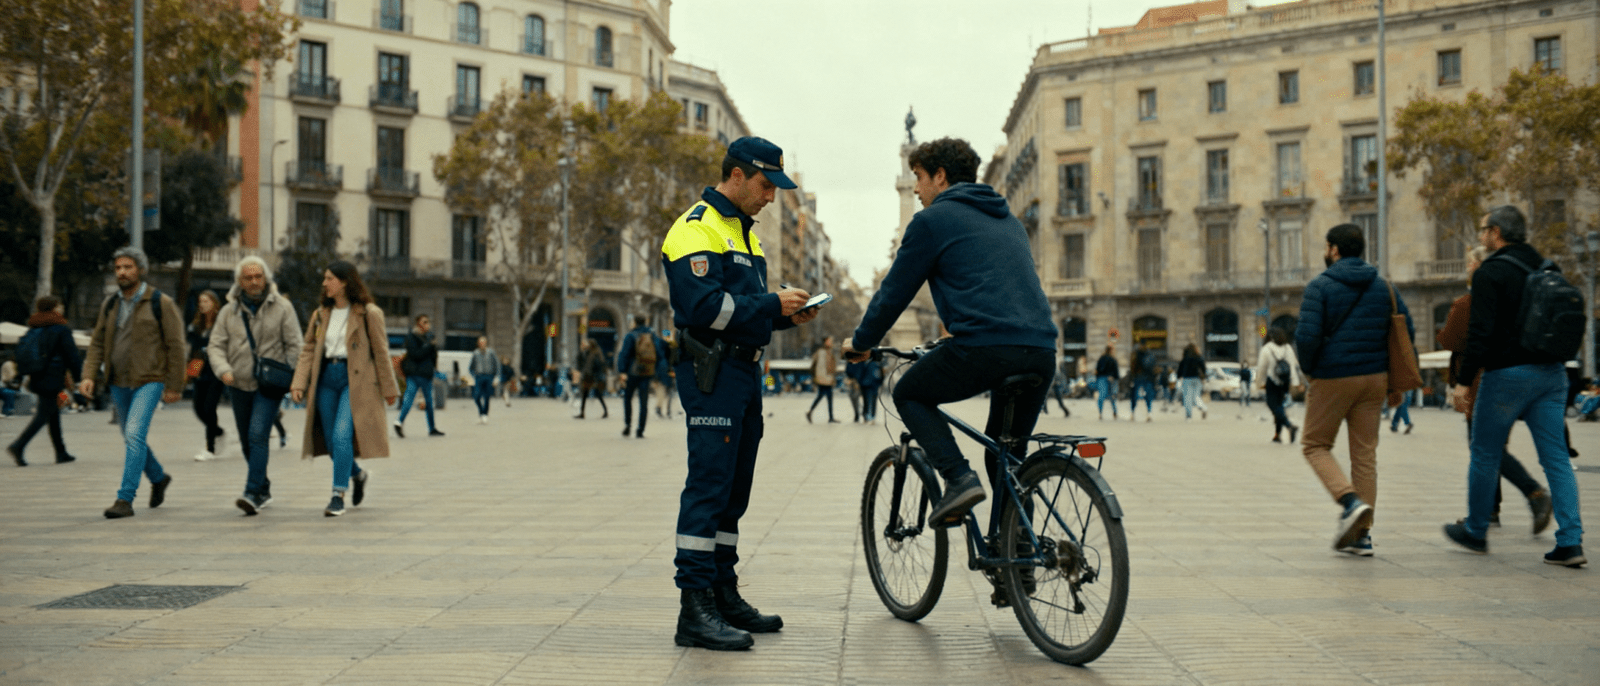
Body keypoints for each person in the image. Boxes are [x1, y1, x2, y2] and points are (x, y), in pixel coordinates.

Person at [842, 136, 1057, 540]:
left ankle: (958, 478)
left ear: (940, 177)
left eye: (920, 178)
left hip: (987, 347)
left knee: (908, 392)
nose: (918, 189)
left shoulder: (931, 221)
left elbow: (894, 292)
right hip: (1042, 350)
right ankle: (1022, 554)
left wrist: (862, 341)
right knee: (1007, 458)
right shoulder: (1008, 220)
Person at [662, 135, 816, 650]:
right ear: (737, 175)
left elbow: (748, 318)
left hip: (746, 374)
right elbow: (707, 310)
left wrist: (788, 315)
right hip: (712, 375)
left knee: (734, 493)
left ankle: (723, 592)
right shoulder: (694, 230)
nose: (771, 196)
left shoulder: (745, 237)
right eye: (766, 184)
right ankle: (695, 606)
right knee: (708, 487)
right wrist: (772, 306)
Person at [1443, 206, 1585, 567]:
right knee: (1555, 458)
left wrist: (1463, 383)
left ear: (1496, 233)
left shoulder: (1492, 272)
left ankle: (1476, 531)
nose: (1480, 237)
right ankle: (1571, 542)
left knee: (1485, 451)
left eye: (1482, 230)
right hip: (1552, 374)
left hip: (1507, 375)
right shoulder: (1547, 266)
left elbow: (1480, 334)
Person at [1294, 223, 1413, 556]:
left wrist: (1311, 370)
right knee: (1364, 456)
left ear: (1334, 249)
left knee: (1314, 445)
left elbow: (1306, 337)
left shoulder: (1320, 286)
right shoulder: (1385, 287)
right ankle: (1362, 536)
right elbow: (1405, 331)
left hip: (1333, 376)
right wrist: (1393, 380)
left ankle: (1349, 503)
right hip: (1375, 379)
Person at [1437, 244, 1552, 533]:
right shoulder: (1514, 297)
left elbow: (1449, 339)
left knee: (1483, 448)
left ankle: (1533, 494)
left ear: (1479, 266)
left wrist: (1461, 383)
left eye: (1468, 264)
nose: (1466, 269)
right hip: (1509, 379)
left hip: (1479, 383)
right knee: (1493, 447)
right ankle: (1490, 510)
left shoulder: (1468, 303)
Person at [80, 246, 185, 519]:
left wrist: (175, 385)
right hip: (118, 380)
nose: (122, 272)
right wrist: (89, 375)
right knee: (130, 435)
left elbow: (176, 346)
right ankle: (159, 478)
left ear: (140, 269)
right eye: (118, 268)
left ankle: (124, 499)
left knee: (135, 434)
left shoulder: (160, 303)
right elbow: (98, 342)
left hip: (150, 380)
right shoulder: (111, 303)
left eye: (127, 267)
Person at [289, 261, 399, 517]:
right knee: (330, 441)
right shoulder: (321, 314)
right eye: (324, 279)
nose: (324, 283)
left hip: (356, 381)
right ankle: (358, 475)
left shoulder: (368, 313)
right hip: (327, 378)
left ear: (345, 281)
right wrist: (299, 383)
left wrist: (389, 388)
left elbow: (382, 352)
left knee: (341, 437)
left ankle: (337, 495)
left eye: (329, 278)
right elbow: (308, 349)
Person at [208, 256, 303, 515]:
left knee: (258, 434)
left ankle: (252, 492)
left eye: (258, 276)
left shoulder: (282, 307)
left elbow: (295, 345)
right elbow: (215, 345)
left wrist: (293, 378)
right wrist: (223, 369)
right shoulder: (228, 311)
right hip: (237, 383)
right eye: (248, 277)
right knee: (247, 441)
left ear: (266, 279)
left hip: (269, 384)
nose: (253, 282)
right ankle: (263, 486)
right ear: (240, 281)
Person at [6, 296, 83, 466]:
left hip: (37, 375)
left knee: (52, 412)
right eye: (60, 305)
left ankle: (61, 452)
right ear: (54, 308)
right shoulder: (60, 328)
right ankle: (18, 445)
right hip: (53, 376)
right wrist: (79, 379)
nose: (62, 307)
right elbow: (72, 356)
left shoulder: (34, 327)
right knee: (43, 414)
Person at [188, 290, 229, 461]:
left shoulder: (222, 322)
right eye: (200, 301)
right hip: (200, 370)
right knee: (198, 408)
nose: (203, 304)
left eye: (206, 301)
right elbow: (194, 350)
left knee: (209, 408)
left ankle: (210, 448)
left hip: (217, 370)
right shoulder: (197, 325)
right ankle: (218, 431)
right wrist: (190, 370)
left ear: (214, 303)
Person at [394, 314, 443, 438]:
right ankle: (399, 422)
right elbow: (416, 354)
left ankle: (431, 428)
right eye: (425, 322)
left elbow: (433, 356)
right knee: (410, 399)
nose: (428, 324)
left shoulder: (430, 337)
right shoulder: (411, 337)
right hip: (415, 373)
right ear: (418, 324)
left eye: (428, 321)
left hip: (426, 374)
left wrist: (433, 351)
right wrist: (429, 346)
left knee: (427, 402)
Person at [1254, 326, 1305, 444]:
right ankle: (1277, 435)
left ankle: (1289, 426)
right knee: (1279, 407)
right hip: (1285, 383)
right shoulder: (1288, 348)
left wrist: (1258, 384)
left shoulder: (1267, 348)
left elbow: (1261, 368)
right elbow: (1294, 366)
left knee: (1273, 406)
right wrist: (1297, 383)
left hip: (1272, 381)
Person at [616, 315, 661, 438]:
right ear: (645, 321)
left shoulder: (631, 335)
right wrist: (655, 372)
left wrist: (622, 371)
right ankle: (640, 430)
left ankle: (628, 425)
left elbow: (624, 354)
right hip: (647, 372)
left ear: (635, 322)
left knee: (628, 399)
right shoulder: (652, 335)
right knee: (644, 402)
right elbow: (658, 354)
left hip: (632, 372)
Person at [469, 336, 500, 424]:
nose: (482, 344)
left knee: (487, 396)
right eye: (480, 342)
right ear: (478, 343)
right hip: (479, 376)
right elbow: (471, 367)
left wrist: (497, 377)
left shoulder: (491, 352)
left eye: (483, 342)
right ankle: (481, 411)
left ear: (486, 343)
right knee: (476, 396)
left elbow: (497, 364)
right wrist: (473, 375)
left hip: (489, 376)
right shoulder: (475, 353)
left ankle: (485, 414)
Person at [807, 336, 838, 423]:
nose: (831, 342)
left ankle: (829, 417)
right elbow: (820, 366)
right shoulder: (821, 352)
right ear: (825, 342)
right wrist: (820, 378)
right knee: (825, 396)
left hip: (827, 378)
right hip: (824, 379)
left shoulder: (828, 352)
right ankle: (830, 417)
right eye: (829, 341)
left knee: (825, 396)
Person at [847, 350, 884, 424]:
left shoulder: (867, 363)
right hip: (870, 385)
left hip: (867, 384)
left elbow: (860, 373)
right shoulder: (875, 364)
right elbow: (880, 375)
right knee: (870, 401)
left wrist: (860, 381)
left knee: (867, 401)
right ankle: (870, 416)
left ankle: (867, 416)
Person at [575, 338, 609, 419]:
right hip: (588, 376)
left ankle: (605, 411)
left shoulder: (597, 353)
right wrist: (581, 350)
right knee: (585, 394)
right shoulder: (588, 352)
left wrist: (596, 375)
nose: (588, 346)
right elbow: (580, 360)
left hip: (595, 377)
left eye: (589, 344)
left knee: (598, 395)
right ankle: (582, 413)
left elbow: (599, 365)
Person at [1176, 343, 1208, 420]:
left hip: (1187, 379)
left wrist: (1179, 377)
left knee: (1187, 398)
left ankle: (1188, 416)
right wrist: (1203, 377)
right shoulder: (1198, 357)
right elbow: (1203, 368)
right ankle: (1203, 407)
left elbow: (1180, 370)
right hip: (1196, 379)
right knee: (1196, 396)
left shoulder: (1184, 359)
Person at [653, 329, 679, 418]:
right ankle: (667, 409)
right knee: (669, 389)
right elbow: (675, 356)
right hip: (669, 369)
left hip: (659, 370)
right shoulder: (671, 343)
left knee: (662, 388)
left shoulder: (657, 343)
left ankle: (660, 407)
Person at [1128, 345, 1157, 422]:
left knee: (1134, 395)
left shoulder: (1135, 355)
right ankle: (1149, 413)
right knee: (1148, 395)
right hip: (1147, 378)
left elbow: (1132, 368)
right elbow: (1153, 367)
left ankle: (1132, 413)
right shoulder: (1150, 355)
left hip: (1138, 377)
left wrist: (1131, 378)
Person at [1095, 345, 1120, 420]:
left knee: (1102, 396)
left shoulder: (1101, 359)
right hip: (1110, 379)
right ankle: (1114, 412)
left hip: (1102, 378)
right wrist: (1115, 378)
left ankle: (1100, 412)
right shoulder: (1112, 359)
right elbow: (1116, 372)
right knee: (1112, 397)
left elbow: (1097, 370)